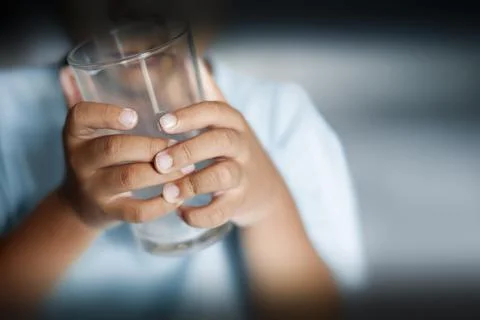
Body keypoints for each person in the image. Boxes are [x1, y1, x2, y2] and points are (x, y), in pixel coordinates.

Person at [0, 1, 366, 318]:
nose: (137, 5)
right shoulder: (8, 115)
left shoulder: (280, 115)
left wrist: (269, 205)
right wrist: (73, 212)